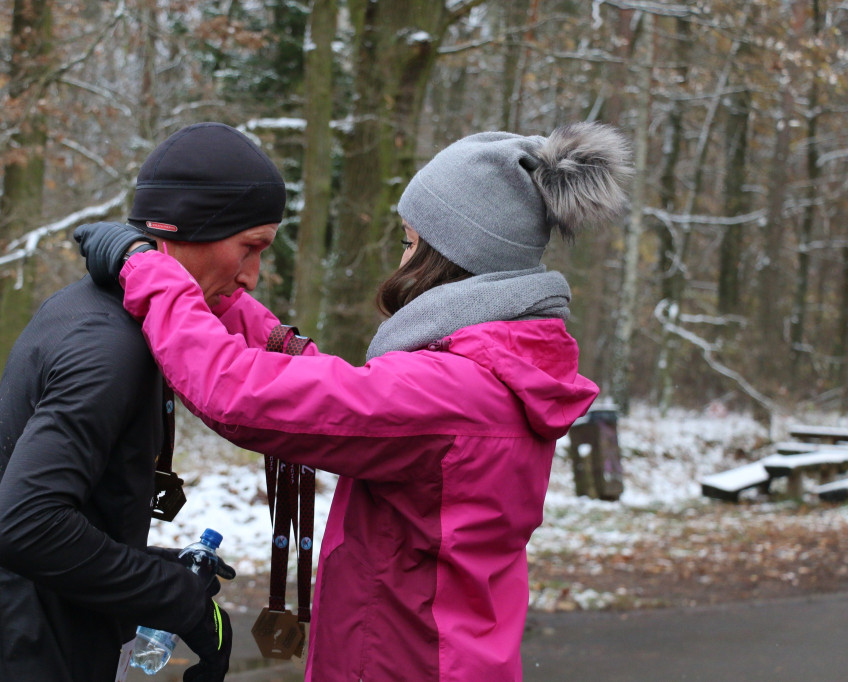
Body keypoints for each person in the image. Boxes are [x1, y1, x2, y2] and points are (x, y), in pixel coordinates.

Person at [75, 121, 633, 680]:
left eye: (410, 244)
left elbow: (239, 394)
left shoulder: (455, 394)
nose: (401, 263)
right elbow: (335, 395)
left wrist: (146, 271)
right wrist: (223, 303)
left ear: (454, 257)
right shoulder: (494, 374)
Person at [0, 122, 287, 682]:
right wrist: (178, 600)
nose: (252, 276)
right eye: (250, 247)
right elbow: (23, 527)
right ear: (188, 228)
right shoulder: (112, 348)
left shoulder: (75, 309)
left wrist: (147, 568)